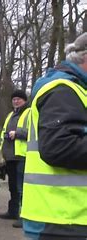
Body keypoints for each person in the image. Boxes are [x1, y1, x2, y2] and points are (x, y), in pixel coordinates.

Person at [22, 33, 87, 239]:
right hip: (62, 220)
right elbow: (59, 147)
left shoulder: (75, 90)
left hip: (66, 218)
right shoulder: (63, 90)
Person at [0, 90, 30, 228]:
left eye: (19, 99)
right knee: (12, 186)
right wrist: (2, 154)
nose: (16, 101)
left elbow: (35, 132)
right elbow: (3, 133)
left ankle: (25, 216)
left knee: (21, 187)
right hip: (10, 155)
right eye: (14, 99)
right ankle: (13, 211)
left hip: (22, 156)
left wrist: (17, 133)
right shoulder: (11, 114)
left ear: (24, 100)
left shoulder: (29, 113)